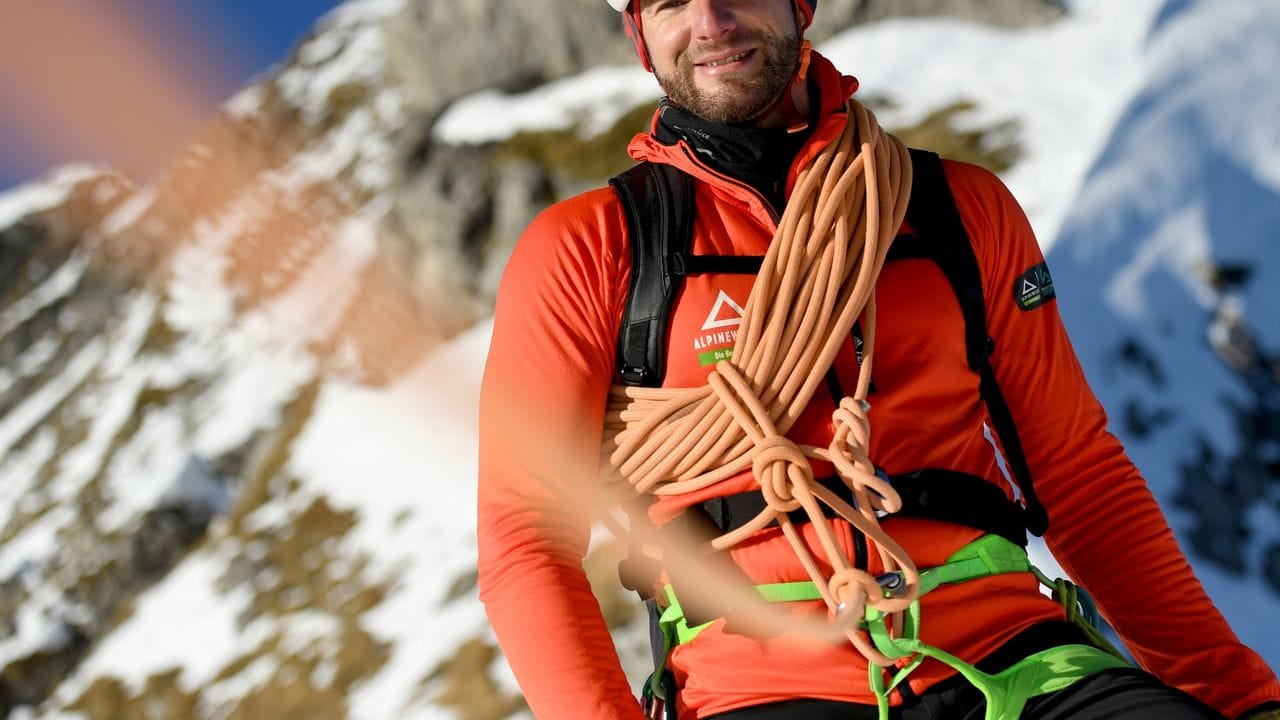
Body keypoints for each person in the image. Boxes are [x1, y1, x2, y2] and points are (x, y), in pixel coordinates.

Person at [476, 1, 1280, 718]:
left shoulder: (959, 211)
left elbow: (1078, 474)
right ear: (639, 33)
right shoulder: (591, 250)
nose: (712, 21)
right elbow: (527, 537)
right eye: (671, 2)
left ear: (802, 4)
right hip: (758, 683)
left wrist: (1238, 697)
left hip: (1015, 654)